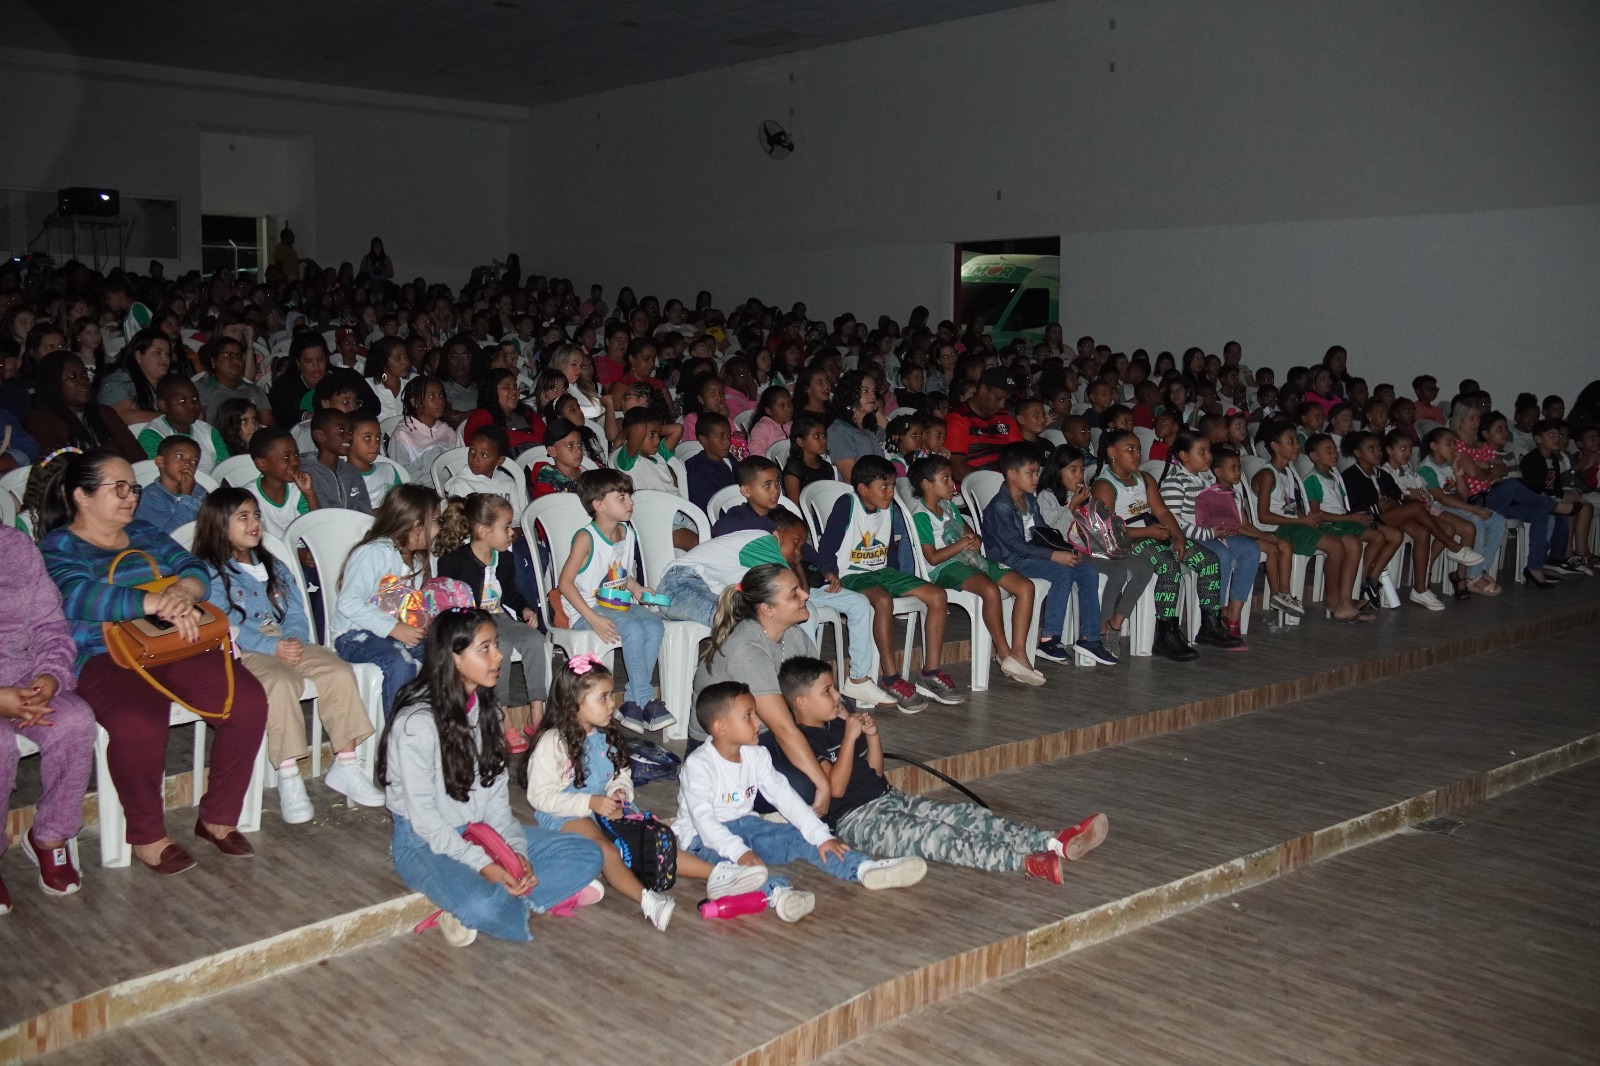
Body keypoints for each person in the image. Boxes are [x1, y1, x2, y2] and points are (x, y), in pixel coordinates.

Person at [37, 448, 268, 874]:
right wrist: (155, 602)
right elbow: (77, 594)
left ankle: (217, 818)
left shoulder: (144, 531)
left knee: (248, 702)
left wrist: (185, 590)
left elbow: (192, 565)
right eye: (119, 488)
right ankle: (147, 835)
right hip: (103, 654)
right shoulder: (58, 545)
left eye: (134, 488)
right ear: (82, 495)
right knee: (138, 724)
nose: (131, 497)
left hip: (170, 643)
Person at [379, 608, 604, 946]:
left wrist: (517, 854)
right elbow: (425, 821)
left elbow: (498, 807)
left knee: (588, 853)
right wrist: (486, 865)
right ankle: (497, 901)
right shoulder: (417, 724)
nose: (498, 655)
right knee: (481, 903)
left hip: (480, 831)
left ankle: (491, 901)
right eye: (485, 648)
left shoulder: (489, 714)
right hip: (424, 840)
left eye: (496, 645)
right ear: (453, 658)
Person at [776, 657, 1105, 883]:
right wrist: (849, 739)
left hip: (889, 798)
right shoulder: (803, 741)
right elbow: (835, 789)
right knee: (941, 837)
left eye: (834, 687)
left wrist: (872, 736)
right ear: (802, 702)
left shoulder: (838, 723)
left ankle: (1053, 841)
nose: (837, 696)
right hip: (859, 821)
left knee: (968, 817)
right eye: (827, 691)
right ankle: (1026, 862)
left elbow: (875, 772)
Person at [527, 654, 769, 932]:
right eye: (603, 698)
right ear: (574, 703)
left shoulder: (604, 735)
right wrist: (590, 802)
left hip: (602, 808)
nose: (612, 704)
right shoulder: (553, 742)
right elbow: (540, 797)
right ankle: (647, 900)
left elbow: (620, 773)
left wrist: (619, 790)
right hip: (565, 814)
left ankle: (719, 874)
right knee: (605, 849)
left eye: (610, 696)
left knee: (654, 841)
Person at [192, 489, 385, 823]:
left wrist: (292, 637)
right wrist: (272, 647)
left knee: (338, 672)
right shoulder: (210, 572)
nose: (254, 523)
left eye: (256, 515)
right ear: (219, 524)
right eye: (243, 517)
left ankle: (346, 764)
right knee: (280, 683)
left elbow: (296, 610)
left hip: (286, 640)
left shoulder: (273, 565)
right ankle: (289, 775)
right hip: (243, 648)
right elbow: (223, 621)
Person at [675, 680, 926, 923]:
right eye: (748, 716)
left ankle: (863, 868)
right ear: (720, 727)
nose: (758, 721)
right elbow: (705, 823)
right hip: (701, 839)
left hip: (749, 826)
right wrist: (740, 852)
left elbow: (785, 797)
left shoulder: (756, 754)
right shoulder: (699, 765)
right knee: (735, 870)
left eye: (755, 714)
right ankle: (778, 894)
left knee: (802, 837)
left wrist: (821, 836)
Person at [0, 525, 97, 907]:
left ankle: (50, 836)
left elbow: (50, 625)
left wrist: (49, 676)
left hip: (26, 676)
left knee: (74, 722)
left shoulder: (14, 546)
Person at [818, 455, 961, 708]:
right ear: (863, 488)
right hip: (851, 573)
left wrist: (898, 578)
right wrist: (829, 572)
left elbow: (889, 548)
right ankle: (891, 678)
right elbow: (826, 545)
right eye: (884, 486)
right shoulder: (847, 504)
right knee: (883, 600)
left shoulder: (889, 507)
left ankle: (930, 673)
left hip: (882, 572)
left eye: (893, 486)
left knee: (938, 595)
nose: (890, 492)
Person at [908, 454, 1044, 686]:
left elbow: (968, 532)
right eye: (945, 479)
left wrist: (974, 539)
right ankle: (1004, 653)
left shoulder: (949, 506)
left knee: (1025, 587)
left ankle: (1018, 653)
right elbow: (932, 558)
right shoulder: (921, 515)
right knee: (990, 590)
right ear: (927, 484)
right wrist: (962, 544)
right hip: (945, 567)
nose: (953, 484)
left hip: (971, 560)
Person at [1093, 429, 1232, 655]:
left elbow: (1162, 512)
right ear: (1112, 452)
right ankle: (1165, 633)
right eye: (1130, 449)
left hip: (1154, 531)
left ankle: (1210, 625)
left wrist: (1179, 537)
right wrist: (1147, 531)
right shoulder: (1105, 485)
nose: (1137, 454)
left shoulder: (1144, 478)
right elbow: (1107, 530)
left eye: (1138, 449)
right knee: (1169, 565)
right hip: (1129, 538)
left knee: (1209, 560)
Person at [555, 469, 672, 734]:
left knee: (654, 625)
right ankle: (644, 699)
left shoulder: (627, 533)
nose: (630, 502)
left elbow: (620, 573)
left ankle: (631, 701)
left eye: (629, 496)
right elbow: (565, 583)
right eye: (621, 497)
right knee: (632, 628)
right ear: (598, 505)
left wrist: (637, 589)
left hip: (617, 603)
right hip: (587, 608)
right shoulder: (586, 537)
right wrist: (593, 618)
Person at [983, 443, 1115, 665]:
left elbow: (1043, 531)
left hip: (1031, 554)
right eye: (1030, 473)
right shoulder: (1001, 507)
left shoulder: (1029, 499)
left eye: (1037, 472)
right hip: (1009, 560)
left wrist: (1064, 550)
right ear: (1012, 474)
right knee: (1061, 573)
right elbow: (1015, 546)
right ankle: (1049, 639)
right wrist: (1053, 555)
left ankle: (1090, 638)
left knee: (1087, 569)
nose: (1036, 478)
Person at [435, 493, 548, 753]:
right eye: (506, 527)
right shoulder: (455, 561)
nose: (511, 533)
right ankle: (503, 717)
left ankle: (536, 715)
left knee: (535, 640)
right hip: (473, 622)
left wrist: (525, 608)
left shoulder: (504, 557)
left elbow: (509, 591)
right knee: (501, 646)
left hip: (498, 615)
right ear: (484, 531)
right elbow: (448, 600)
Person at [332, 484, 442, 714]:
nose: (439, 528)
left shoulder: (416, 560)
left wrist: (423, 622)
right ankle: (396, 729)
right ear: (416, 525)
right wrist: (393, 628)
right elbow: (348, 602)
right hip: (354, 634)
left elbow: (406, 604)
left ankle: (431, 723)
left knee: (442, 656)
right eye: (435, 521)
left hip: (394, 633)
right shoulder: (374, 552)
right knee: (400, 663)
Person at [1037, 443, 1155, 657]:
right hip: (1073, 552)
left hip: (1098, 545)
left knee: (1144, 568)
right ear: (1057, 471)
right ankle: (1100, 629)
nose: (1079, 475)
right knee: (1117, 572)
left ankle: (1116, 623)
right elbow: (1055, 533)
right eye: (1072, 470)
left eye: (1081, 469)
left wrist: (1093, 506)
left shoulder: (1084, 493)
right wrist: (1073, 505)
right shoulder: (1047, 496)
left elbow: (1098, 526)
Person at [1341, 430, 1483, 605]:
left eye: (1378, 448)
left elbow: (1398, 497)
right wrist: (1380, 505)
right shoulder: (1350, 476)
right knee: (1415, 507)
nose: (1377, 452)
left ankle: (1419, 589)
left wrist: (1394, 502)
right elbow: (1351, 507)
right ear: (1357, 453)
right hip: (1369, 518)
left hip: (1389, 516)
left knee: (1422, 532)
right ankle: (1454, 546)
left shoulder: (1381, 475)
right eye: (1371, 449)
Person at [1251, 420, 1372, 622]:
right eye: (1290, 441)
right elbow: (1264, 515)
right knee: (1335, 546)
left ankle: (1344, 602)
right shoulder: (1267, 475)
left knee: (1352, 542)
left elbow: (1285, 504)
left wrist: (1304, 517)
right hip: (1277, 529)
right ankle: (1334, 603)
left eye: (1296, 441)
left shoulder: (1286, 472)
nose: (1297, 446)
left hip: (1291, 524)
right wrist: (1300, 522)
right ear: (1275, 446)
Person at [1158, 431, 1263, 644]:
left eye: (1208, 451)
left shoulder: (1207, 479)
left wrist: (1226, 526)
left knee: (1251, 550)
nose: (1208, 456)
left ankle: (1233, 611)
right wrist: (1209, 533)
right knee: (1221, 556)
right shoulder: (1174, 482)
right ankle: (1214, 615)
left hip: (1212, 533)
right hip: (1189, 537)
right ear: (1184, 456)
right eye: (1202, 452)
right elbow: (1173, 522)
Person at [1383, 430, 1503, 596]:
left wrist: (1457, 473)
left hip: (1434, 507)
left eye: (1409, 449)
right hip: (1432, 508)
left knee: (1497, 521)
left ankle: (1474, 571)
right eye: (1448, 444)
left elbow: (1463, 496)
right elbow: (1439, 498)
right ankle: (1468, 575)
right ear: (1434, 446)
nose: (1453, 447)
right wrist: (1474, 509)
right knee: (1472, 525)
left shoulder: (1413, 468)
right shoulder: (1424, 468)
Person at [24, 352, 144, 461]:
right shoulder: (40, 419)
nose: (83, 381)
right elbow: (57, 464)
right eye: (72, 377)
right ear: (53, 383)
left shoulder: (105, 412)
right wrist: (108, 452)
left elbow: (138, 455)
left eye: (84, 375)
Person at [946, 368, 1023, 481]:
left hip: (1008, 482)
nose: (1002, 405)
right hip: (978, 487)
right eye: (999, 398)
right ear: (983, 389)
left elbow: (1020, 457)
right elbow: (957, 469)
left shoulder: (1006, 418)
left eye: (1006, 400)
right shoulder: (958, 418)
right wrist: (998, 482)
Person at [247, 427, 319, 543]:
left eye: (296, 455)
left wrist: (309, 493)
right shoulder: (249, 498)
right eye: (286, 457)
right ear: (262, 464)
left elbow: (316, 526)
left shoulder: (298, 489)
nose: (295, 462)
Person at [299, 408, 373, 514]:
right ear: (319, 436)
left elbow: (365, 512)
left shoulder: (352, 473)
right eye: (341, 431)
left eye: (350, 432)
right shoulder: (305, 473)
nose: (349, 436)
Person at [97, 328, 173, 426]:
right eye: (158, 352)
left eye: (167, 353)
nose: (165, 358)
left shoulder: (168, 384)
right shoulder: (120, 379)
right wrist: (172, 419)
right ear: (139, 356)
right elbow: (118, 416)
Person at [133, 436, 208, 534]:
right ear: (161, 462)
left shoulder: (199, 492)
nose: (188, 464)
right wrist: (187, 496)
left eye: (194, 461)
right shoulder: (151, 497)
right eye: (180, 456)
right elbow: (171, 536)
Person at [388, 376, 456, 483]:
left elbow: (458, 465)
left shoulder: (448, 432)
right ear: (415, 402)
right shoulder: (402, 434)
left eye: (441, 395)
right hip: (419, 490)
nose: (440, 401)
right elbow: (402, 473)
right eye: (432, 396)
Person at [195, 336, 271, 425]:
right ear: (213, 361)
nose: (235, 360)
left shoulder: (255, 391)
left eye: (239, 355)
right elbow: (199, 428)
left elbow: (268, 427)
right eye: (228, 355)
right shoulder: (200, 389)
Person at [443, 426, 521, 510]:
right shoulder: (460, 485)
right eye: (472, 451)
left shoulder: (508, 483)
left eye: (484, 455)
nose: (475, 458)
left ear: (499, 460)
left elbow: (517, 515)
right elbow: (457, 516)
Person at [346, 415, 403, 509]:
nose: (376, 445)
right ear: (348, 440)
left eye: (378, 438)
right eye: (367, 438)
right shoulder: (339, 477)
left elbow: (401, 506)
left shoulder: (388, 470)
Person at [685, 411, 737, 511]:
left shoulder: (729, 459)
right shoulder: (696, 469)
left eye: (729, 436)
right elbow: (707, 507)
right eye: (721, 437)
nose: (727, 442)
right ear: (703, 440)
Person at [782, 413, 835, 503]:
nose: (824, 440)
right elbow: (795, 506)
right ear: (800, 442)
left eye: (824, 435)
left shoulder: (827, 467)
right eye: (816, 436)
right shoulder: (794, 470)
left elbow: (833, 496)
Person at [747, 385, 792, 460]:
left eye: (790, 404)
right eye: (782, 406)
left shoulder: (790, 424)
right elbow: (757, 454)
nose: (789, 409)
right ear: (769, 411)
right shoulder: (761, 428)